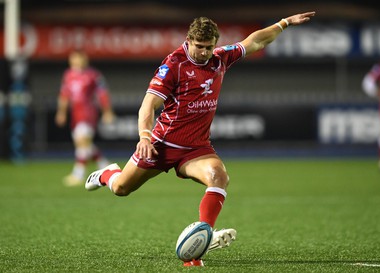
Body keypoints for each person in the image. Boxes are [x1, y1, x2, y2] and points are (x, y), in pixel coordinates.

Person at [85, 12, 316, 266]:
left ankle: (200, 243)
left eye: (209, 47)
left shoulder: (220, 59)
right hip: (161, 144)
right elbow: (148, 105)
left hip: (196, 147)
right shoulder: (173, 65)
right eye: (199, 47)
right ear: (188, 41)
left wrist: (283, 24)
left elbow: (256, 42)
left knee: (219, 177)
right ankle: (106, 174)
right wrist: (145, 136)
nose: (205, 52)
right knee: (121, 188)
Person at [55, 50, 115, 186]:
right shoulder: (68, 75)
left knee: (82, 141)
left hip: (88, 112)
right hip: (75, 113)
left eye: (78, 58)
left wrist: (107, 112)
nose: (75, 61)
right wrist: (61, 112)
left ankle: (78, 174)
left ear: (84, 60)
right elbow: (64, 95)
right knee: (84, 144)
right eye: (73, 59)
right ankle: (105, 165)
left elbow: (103, 94)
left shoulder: (93, 75)